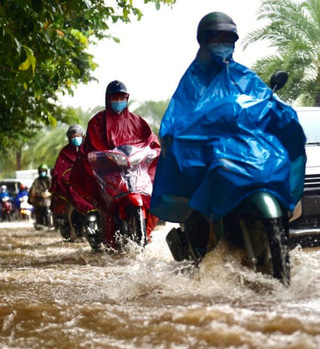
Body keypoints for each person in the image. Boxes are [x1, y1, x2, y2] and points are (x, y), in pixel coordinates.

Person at [150, 12, 306, 247]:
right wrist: (173, 135)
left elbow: (265, 101)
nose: (222, 44)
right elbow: (177, 116)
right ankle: (208, 237)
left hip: (247, 148)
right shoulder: (193, 80)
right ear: (204, 40)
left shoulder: (244, 76)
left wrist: (280, 114)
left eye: (227, 38)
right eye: (215, 38)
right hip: (210, 152)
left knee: (277, 160)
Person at [70, 80, 160, 246]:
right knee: (104, 206)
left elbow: (151, 140)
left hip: (135, 172)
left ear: (127, 99)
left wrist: (154, 150)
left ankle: (147, 232)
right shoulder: (97, 122)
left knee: (153, 199)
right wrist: (96, 157)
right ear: (108, 98)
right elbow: (90, 148)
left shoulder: (137, 122)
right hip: (109, 175)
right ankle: (106, 236)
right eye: (115, 97)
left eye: (122, 97)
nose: (118, 101)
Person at [50, 124, 93, 240]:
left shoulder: (90, 149)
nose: (75, 138)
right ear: (69, 138)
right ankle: (74, 233)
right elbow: (58, 171)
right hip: (71, 188)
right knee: (71, 209)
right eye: (73, 136)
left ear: (83, 136)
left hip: (89, 187)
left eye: (77, 135)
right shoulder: (64, 153)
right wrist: (66, 180)